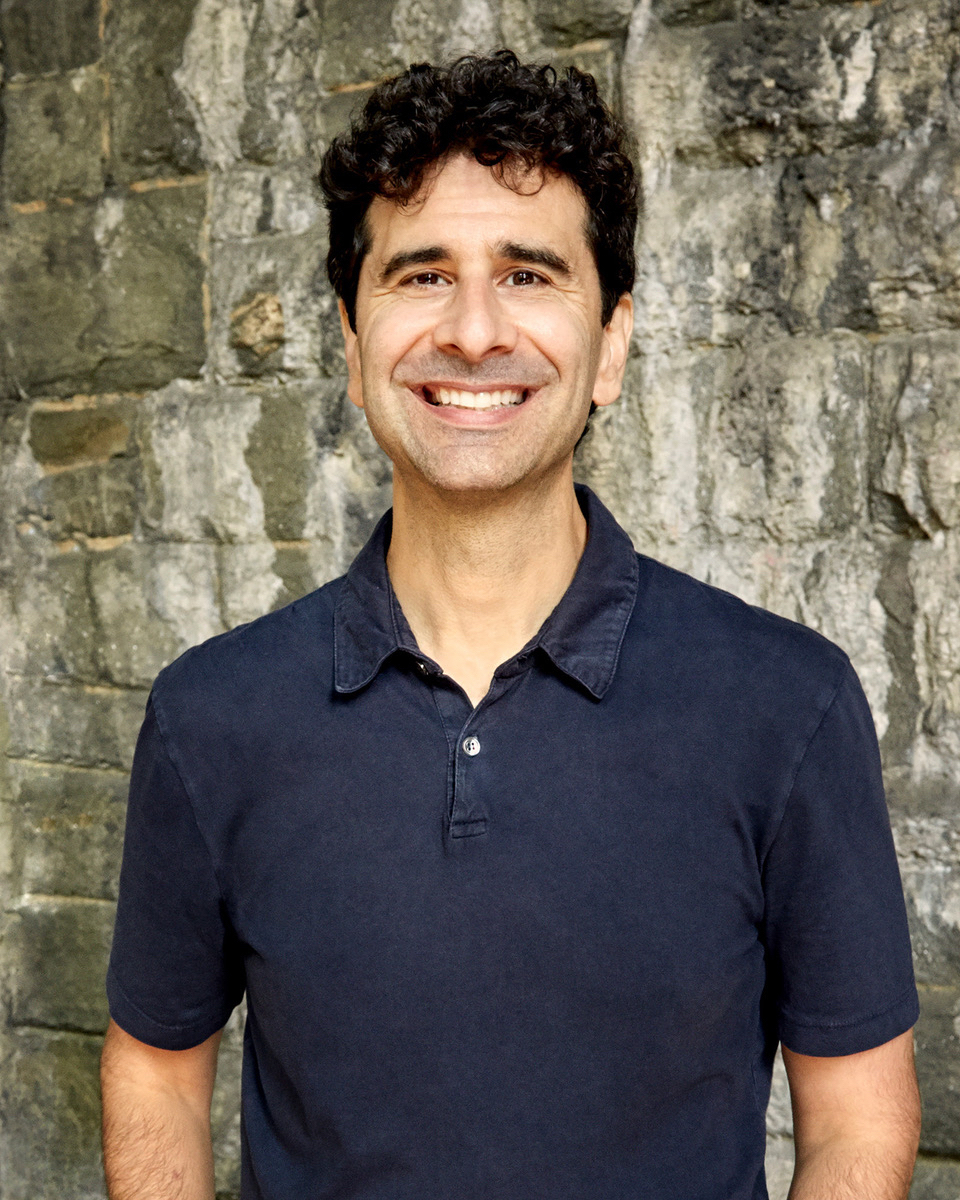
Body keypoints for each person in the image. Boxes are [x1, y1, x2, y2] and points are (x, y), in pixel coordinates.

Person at [100, 51, 921, 1200]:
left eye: (528, 274)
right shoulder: (212, 717)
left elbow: (858, 1122)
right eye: (422, 274)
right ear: (351, 344)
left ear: (611, 344)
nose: (475, 331)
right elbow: (155, 1073)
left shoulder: (787, 704)